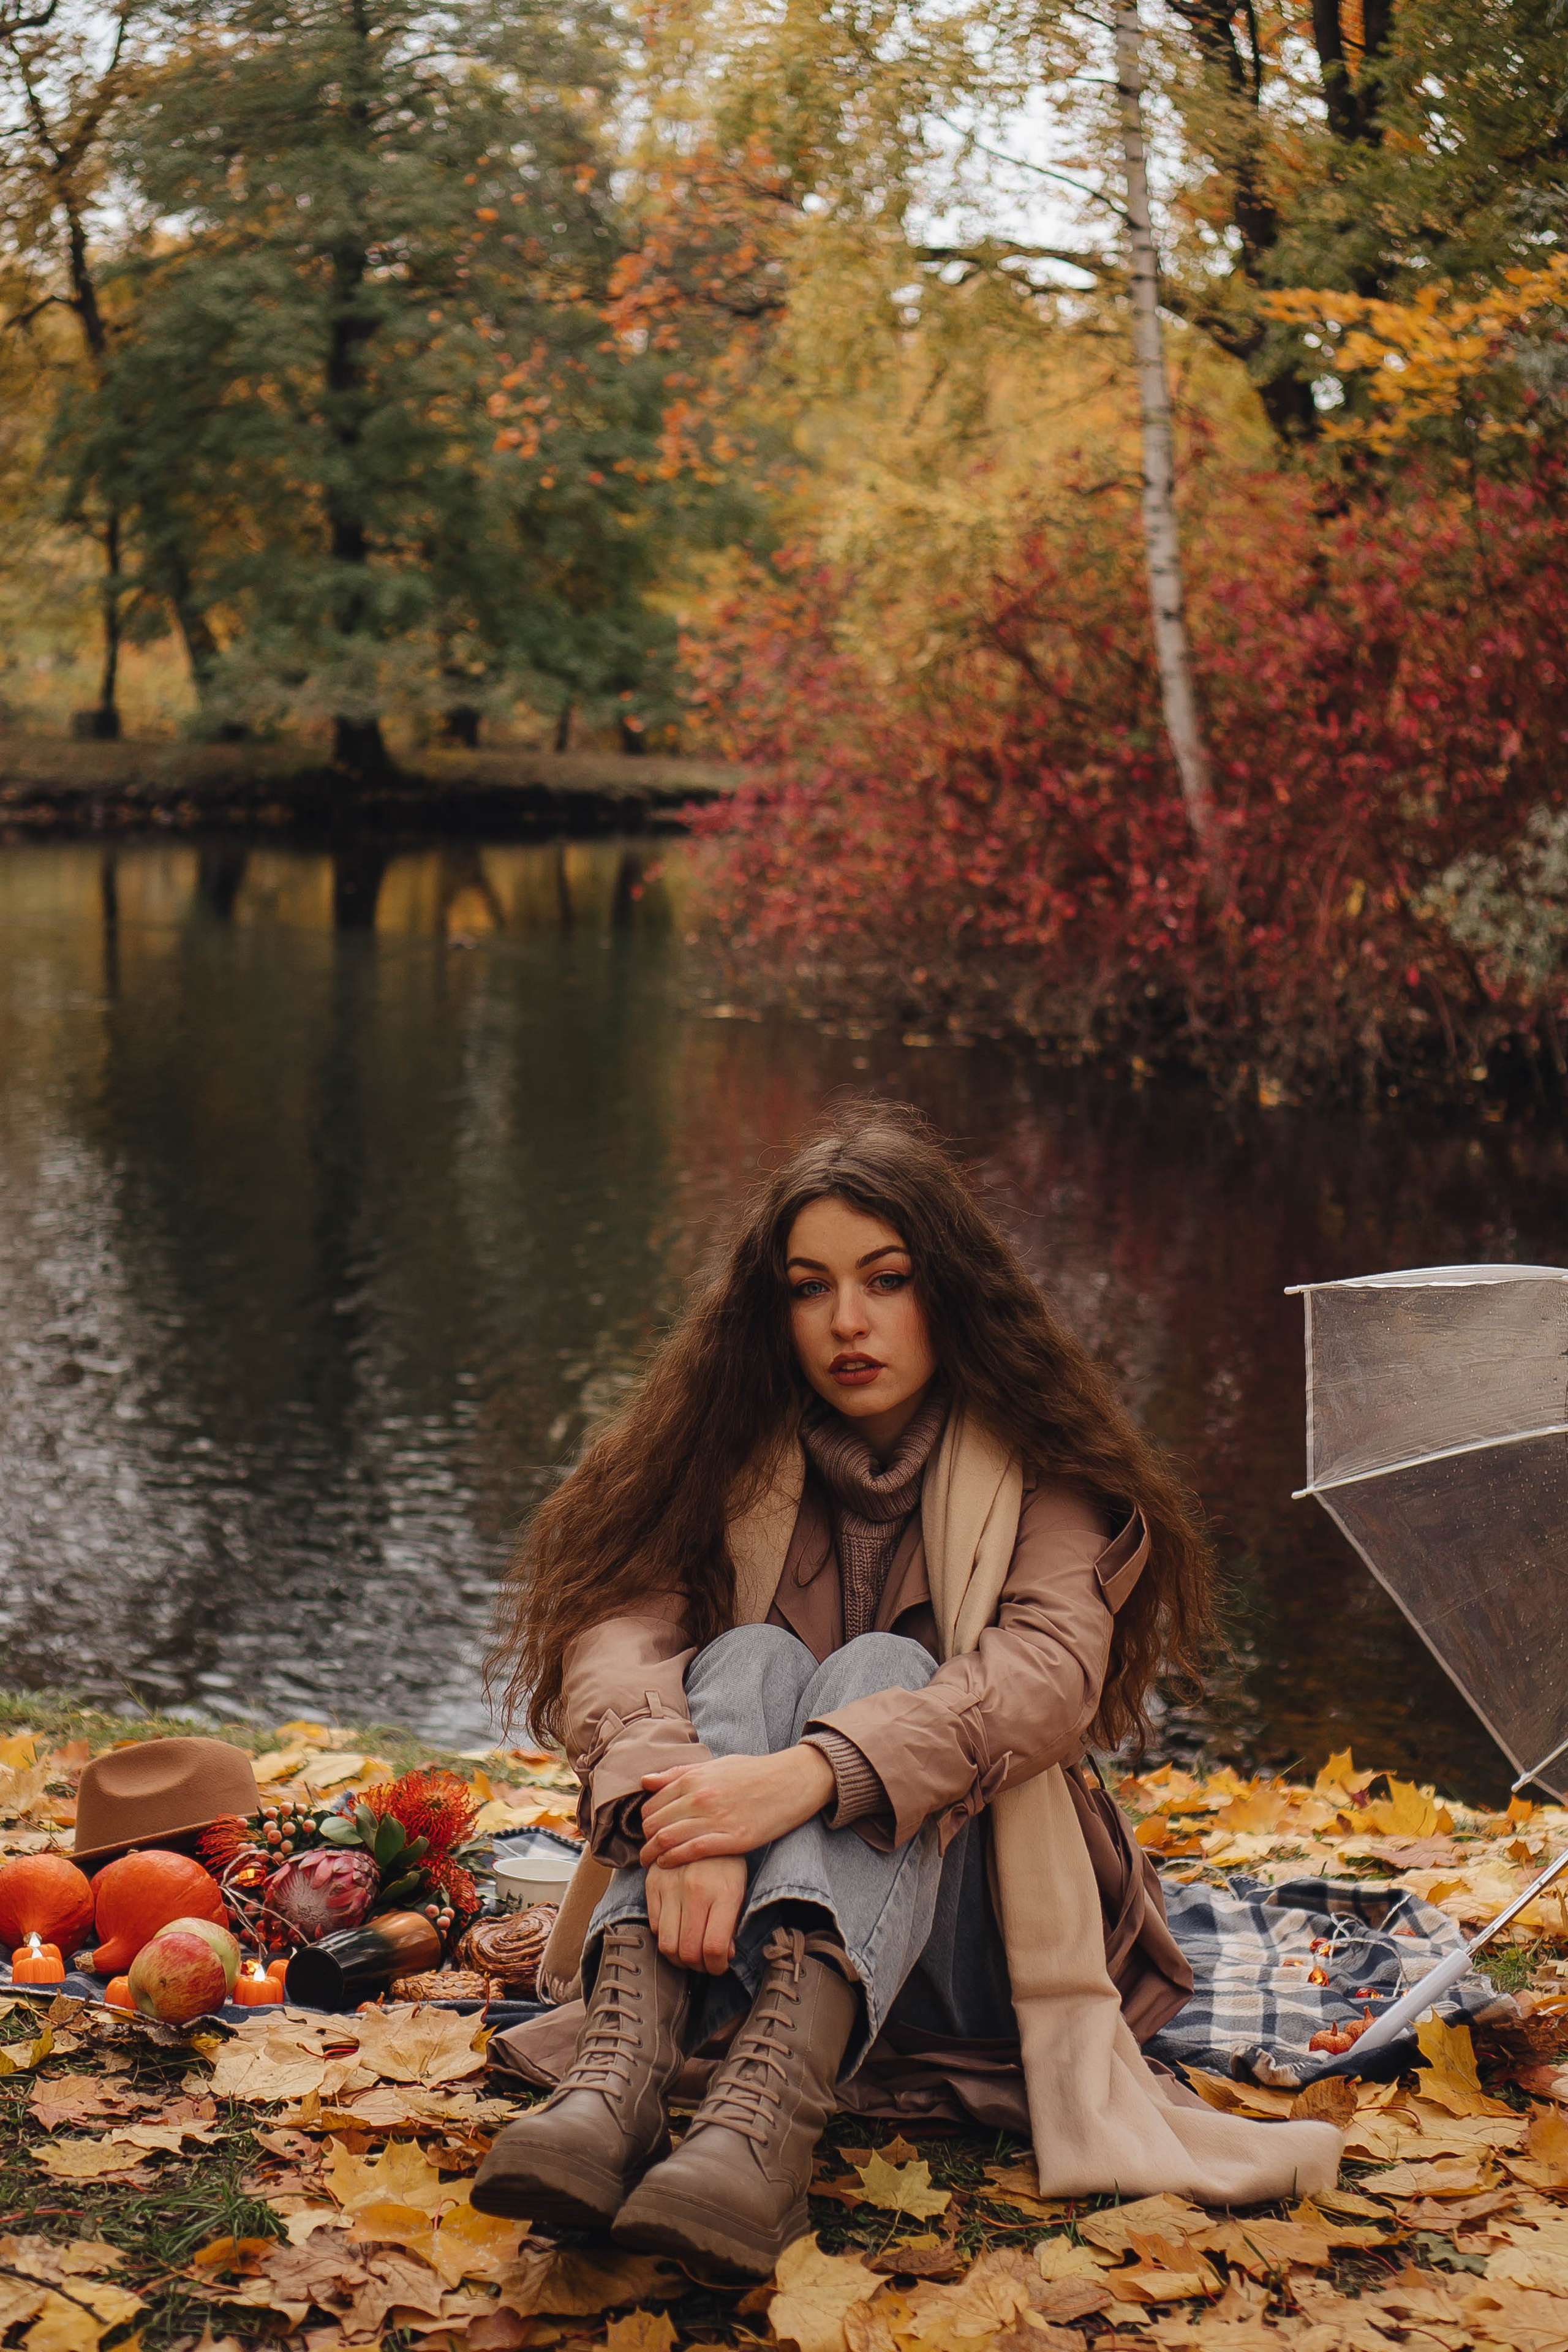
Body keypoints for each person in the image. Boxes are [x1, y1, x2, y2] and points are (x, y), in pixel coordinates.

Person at [472, 1105, 1341, 2272]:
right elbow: (618, 1637)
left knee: (884, 1671)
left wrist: (807, 1777)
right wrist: (686, 1813)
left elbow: (1043, 1677)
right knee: (748, 1658)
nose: (848, 1322)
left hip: (975, 1944)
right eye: (810, 1288)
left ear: (951, 1289)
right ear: (771, 1308)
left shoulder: (1048, 1470)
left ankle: (763, 2132)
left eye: (886, 1280)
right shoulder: (719, 1449)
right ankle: (612, 2087)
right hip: (719, 1924)